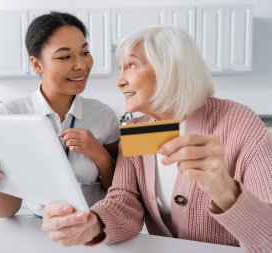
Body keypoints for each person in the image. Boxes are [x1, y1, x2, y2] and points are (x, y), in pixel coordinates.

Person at [41, 26, 272, 252]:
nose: (119, 81)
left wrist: (223, 188)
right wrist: (93, 224)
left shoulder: (239, 122)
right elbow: (124, 200)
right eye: (121, 68)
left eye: (130, 66)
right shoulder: (136, 127)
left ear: (168, 68)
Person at [0, 11, 120, 218]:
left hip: (100, 228)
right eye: (65, 56)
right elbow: (7, 209)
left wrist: (100, 155)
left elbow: (121, 191)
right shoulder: (9, 116)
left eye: (85, 52)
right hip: (43, 229)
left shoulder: (103, 114)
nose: (81, 65)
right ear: (37, 64)